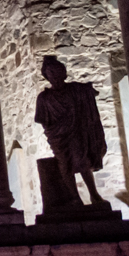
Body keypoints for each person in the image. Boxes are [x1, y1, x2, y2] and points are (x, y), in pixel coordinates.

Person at [34, 56, 109, 206]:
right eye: (50, 74)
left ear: (63, 73)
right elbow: (41, 119)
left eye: (56, 73)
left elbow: (88, 92)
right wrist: (55, 128)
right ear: (46, 76)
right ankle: (75, 198)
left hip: (75, 133)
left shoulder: (74, 90)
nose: (54, 77)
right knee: (65, 165)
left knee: (82, 161)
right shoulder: (44, 98)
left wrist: (89, 92)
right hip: (57, 136)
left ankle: (94, 195)